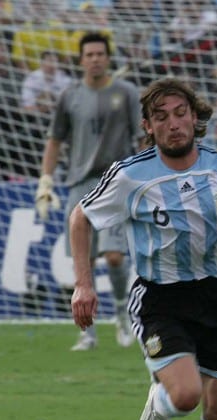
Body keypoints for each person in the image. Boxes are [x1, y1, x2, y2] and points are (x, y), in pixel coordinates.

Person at [68, 77, 217, 420]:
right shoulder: (130, 176)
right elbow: (80, 217)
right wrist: (84, 284)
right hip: (160, 298)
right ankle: (158, 404)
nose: (172, 124)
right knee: (186, 395)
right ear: (147, 126)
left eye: (180, 114)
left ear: (195, 119)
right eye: (161, 117)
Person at [35, 32, 142, 351]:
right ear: (81, 60)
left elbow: (142, 137)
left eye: (100, 53)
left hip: (115, 182)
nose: (95, 59)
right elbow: (55, 140)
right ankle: (88, 331)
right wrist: (46, 180)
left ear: (108, 58)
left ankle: (122, 313)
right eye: (89, 54)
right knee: (83, 262)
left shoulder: (126, 93)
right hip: (79, 184)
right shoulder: (69, 96)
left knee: (112, 257)